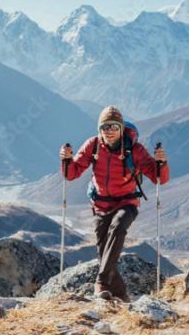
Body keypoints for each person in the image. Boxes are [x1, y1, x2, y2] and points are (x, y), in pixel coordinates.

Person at [60, 106, 169, 302]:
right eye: (104, 127)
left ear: (120, 128)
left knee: (118, 229)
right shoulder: (93, 145)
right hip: (101, 204)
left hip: (127, 202)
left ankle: (100, 281)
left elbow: (158, 177)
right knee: (104, 253)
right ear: (99, 129)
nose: (108, 131)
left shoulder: (134, 150)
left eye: (113, 126)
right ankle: (121, 295)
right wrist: (67, 160)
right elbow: (72, 173)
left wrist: (161, 162)